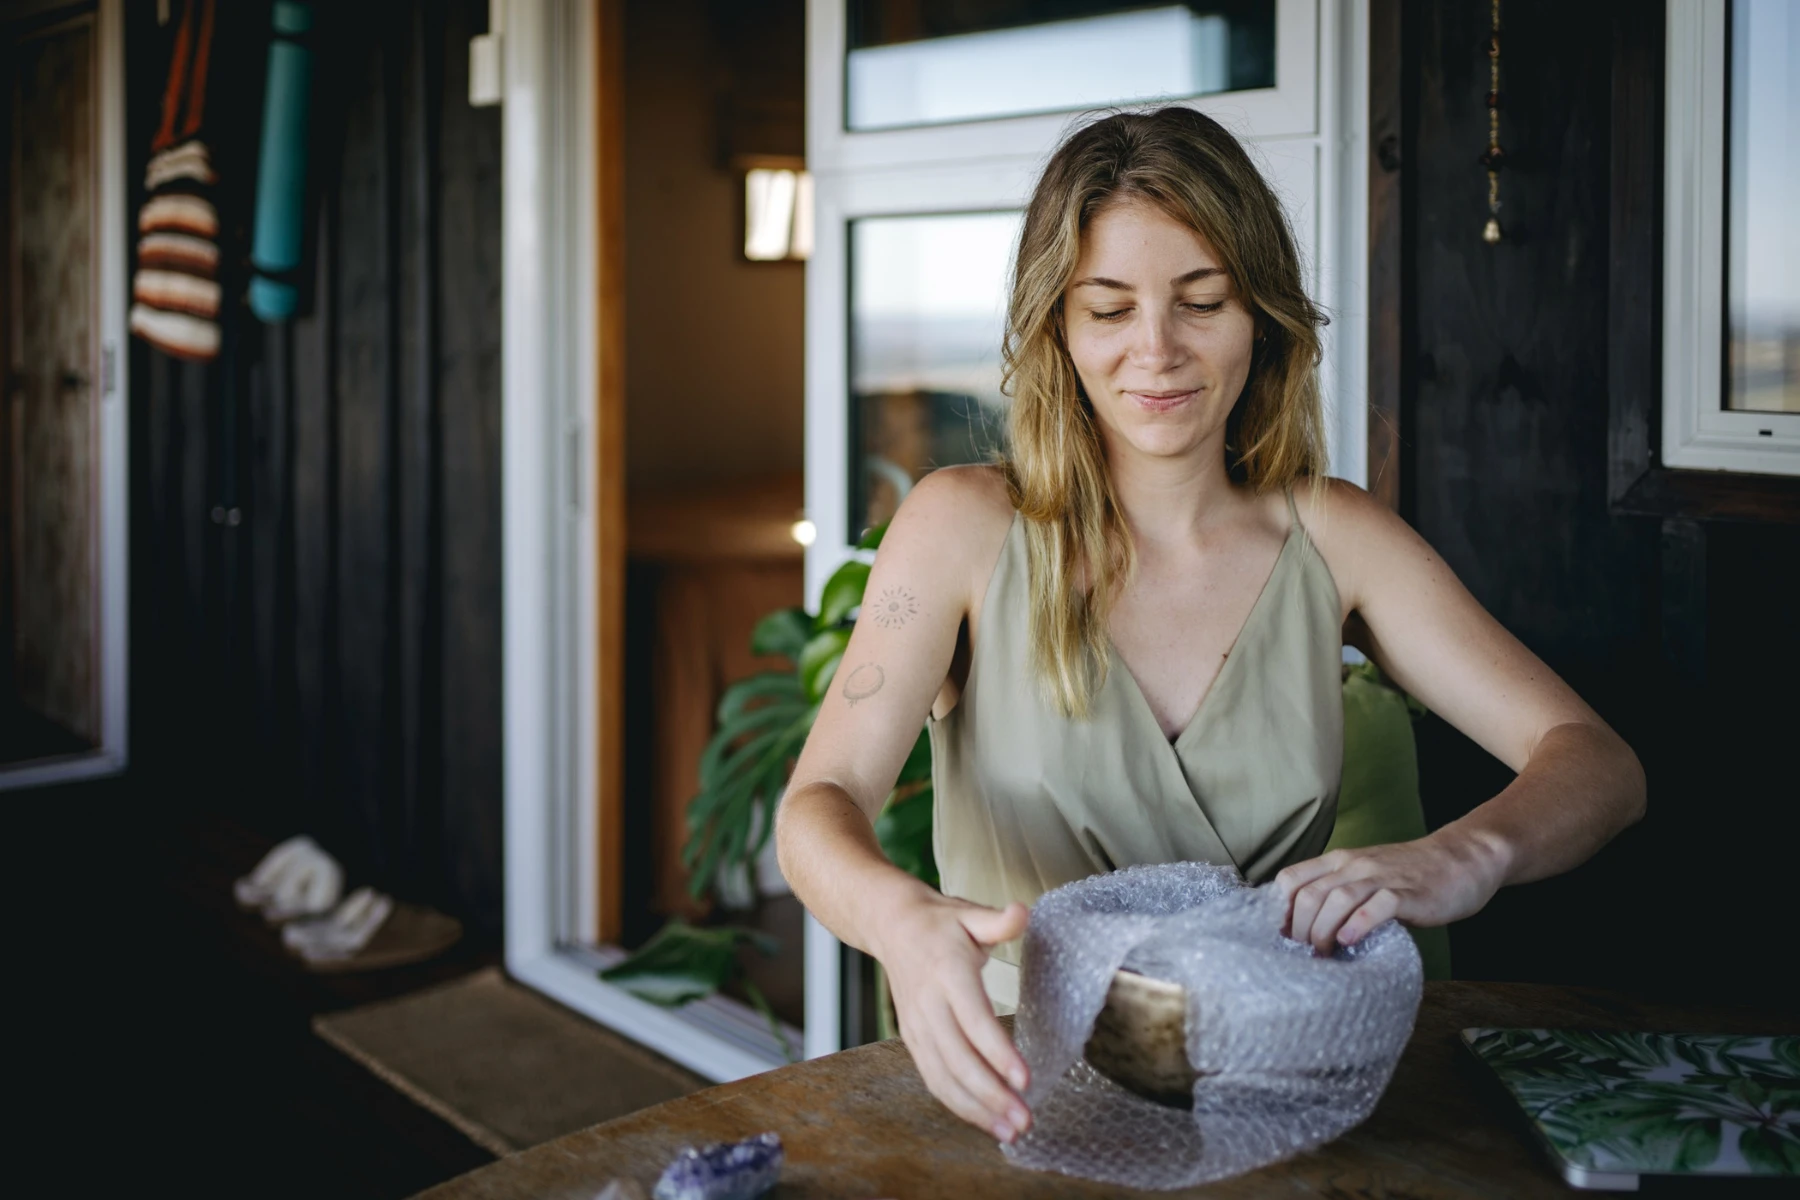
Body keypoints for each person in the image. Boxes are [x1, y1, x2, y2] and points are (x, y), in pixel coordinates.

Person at [773, 107, 1645, 1147]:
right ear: (1057, 324)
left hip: (1276, 1091)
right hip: (1014, 1092)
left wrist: (1468, 853)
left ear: (1260, 316)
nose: (1158, 351)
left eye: (1203, 300)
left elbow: (1598, 763)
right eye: (1109, 309)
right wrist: (901, 925)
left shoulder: (1339, 535)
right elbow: (818, 804)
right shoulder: (961, 528)